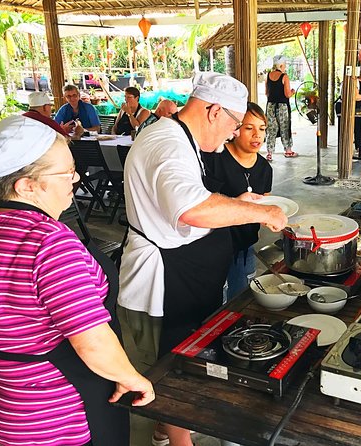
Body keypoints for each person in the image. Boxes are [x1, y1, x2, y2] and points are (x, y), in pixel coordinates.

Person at [118, 72, 287, 446]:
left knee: (184, 364)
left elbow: (192, 197)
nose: (232, 135)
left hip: (185, 279)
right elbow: (191, 209)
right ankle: (174, 435)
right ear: (212, 111)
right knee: (165, 376)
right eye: (232, 124)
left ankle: (166, 429)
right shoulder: (167, 143)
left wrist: (238, 204)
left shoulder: (183, 138)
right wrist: (264, 213)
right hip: (160, 287)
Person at [0, 115, 154, 446]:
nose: (77, 178)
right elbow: (91, 340)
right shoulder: (47, 241)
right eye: (66, 173)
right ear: (26, 185)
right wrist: (131, 378)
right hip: (66, 411)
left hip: (11, 410)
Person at [201, 102, 272, 301]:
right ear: (235, 129)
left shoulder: (265, 169)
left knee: (242, 298)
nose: (257, 135)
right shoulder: (214, 159)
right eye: (249, 128)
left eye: (262, 129)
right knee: (216, 301)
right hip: (213, 246)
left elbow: (263, 205)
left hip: (245, 247)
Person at [265, 55, 296, 161]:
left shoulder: (268, 75)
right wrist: (292, 92)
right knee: (285, 128)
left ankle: (269, 153)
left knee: (271, 129)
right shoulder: (284, 77)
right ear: (281, 65)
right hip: (282, 106)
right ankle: (288, 151)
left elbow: (266, 92)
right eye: (285, 65)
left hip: (270, 106)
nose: (285, 67)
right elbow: (287, 94)